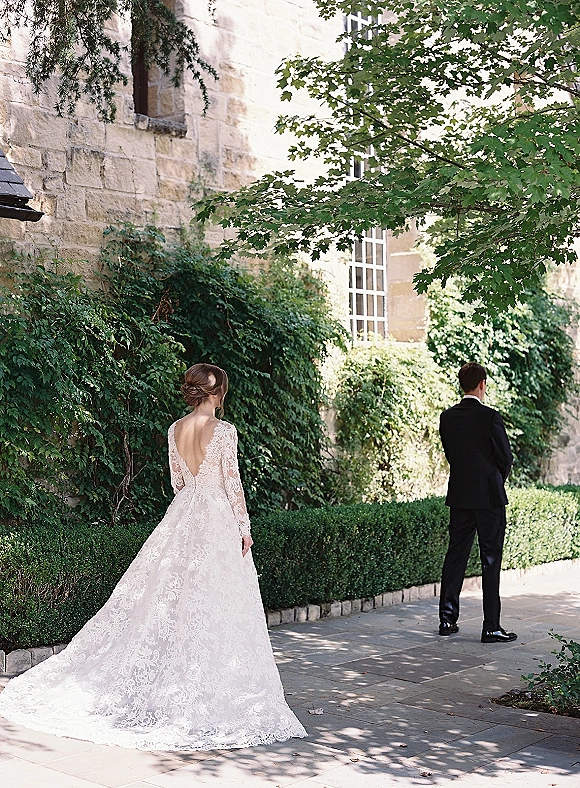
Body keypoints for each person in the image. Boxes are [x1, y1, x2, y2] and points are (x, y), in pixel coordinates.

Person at [0, 363, 307, 750]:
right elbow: (233, 484)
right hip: (215, 518)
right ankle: (204, 680)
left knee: (170, 596)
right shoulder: (224, 431)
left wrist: (197, 493)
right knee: (215, 599)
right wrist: (244, 529)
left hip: (183, 514)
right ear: (218, 393)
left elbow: (179, 482)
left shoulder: (174, 430)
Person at [438, 362, 517, 644]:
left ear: (462, 384)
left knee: (456, 555)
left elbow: (452, 455)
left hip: (460, 494)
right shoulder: (490, 417)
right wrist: (496, 480)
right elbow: (505, 458)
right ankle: (491, 627)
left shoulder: (447, 417)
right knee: (490, 560)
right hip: (489, 497)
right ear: (482, 384)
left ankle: (447, 620)